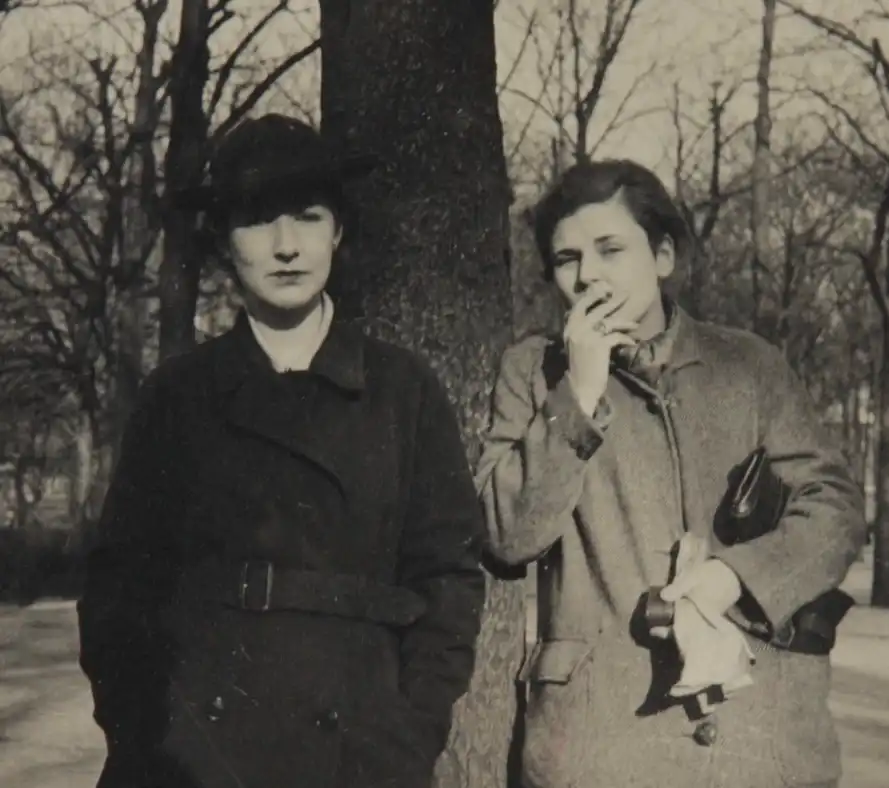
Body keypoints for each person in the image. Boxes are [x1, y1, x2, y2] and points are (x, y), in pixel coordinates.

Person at [78, 113, 486, 788]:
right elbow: (119, 586)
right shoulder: (176, 395)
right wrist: (145, 728)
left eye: (307, 216)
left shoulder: (402, 389)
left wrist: (406, 732)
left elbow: (447, 579)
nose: (286, 245)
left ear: (339, 231)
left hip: (359, 752)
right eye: (258, 220)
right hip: (192, 755)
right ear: (223, 243)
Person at [476, 159, 866, 788]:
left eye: (611, 249)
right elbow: (507, 534)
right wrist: (578, 393)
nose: (590, 275)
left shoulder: (747, 364)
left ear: (661, 257)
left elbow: (837, 507)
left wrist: (736, 578)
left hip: (759, 740)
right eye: (568, 259)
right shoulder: (531, 374)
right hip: (602, 743)